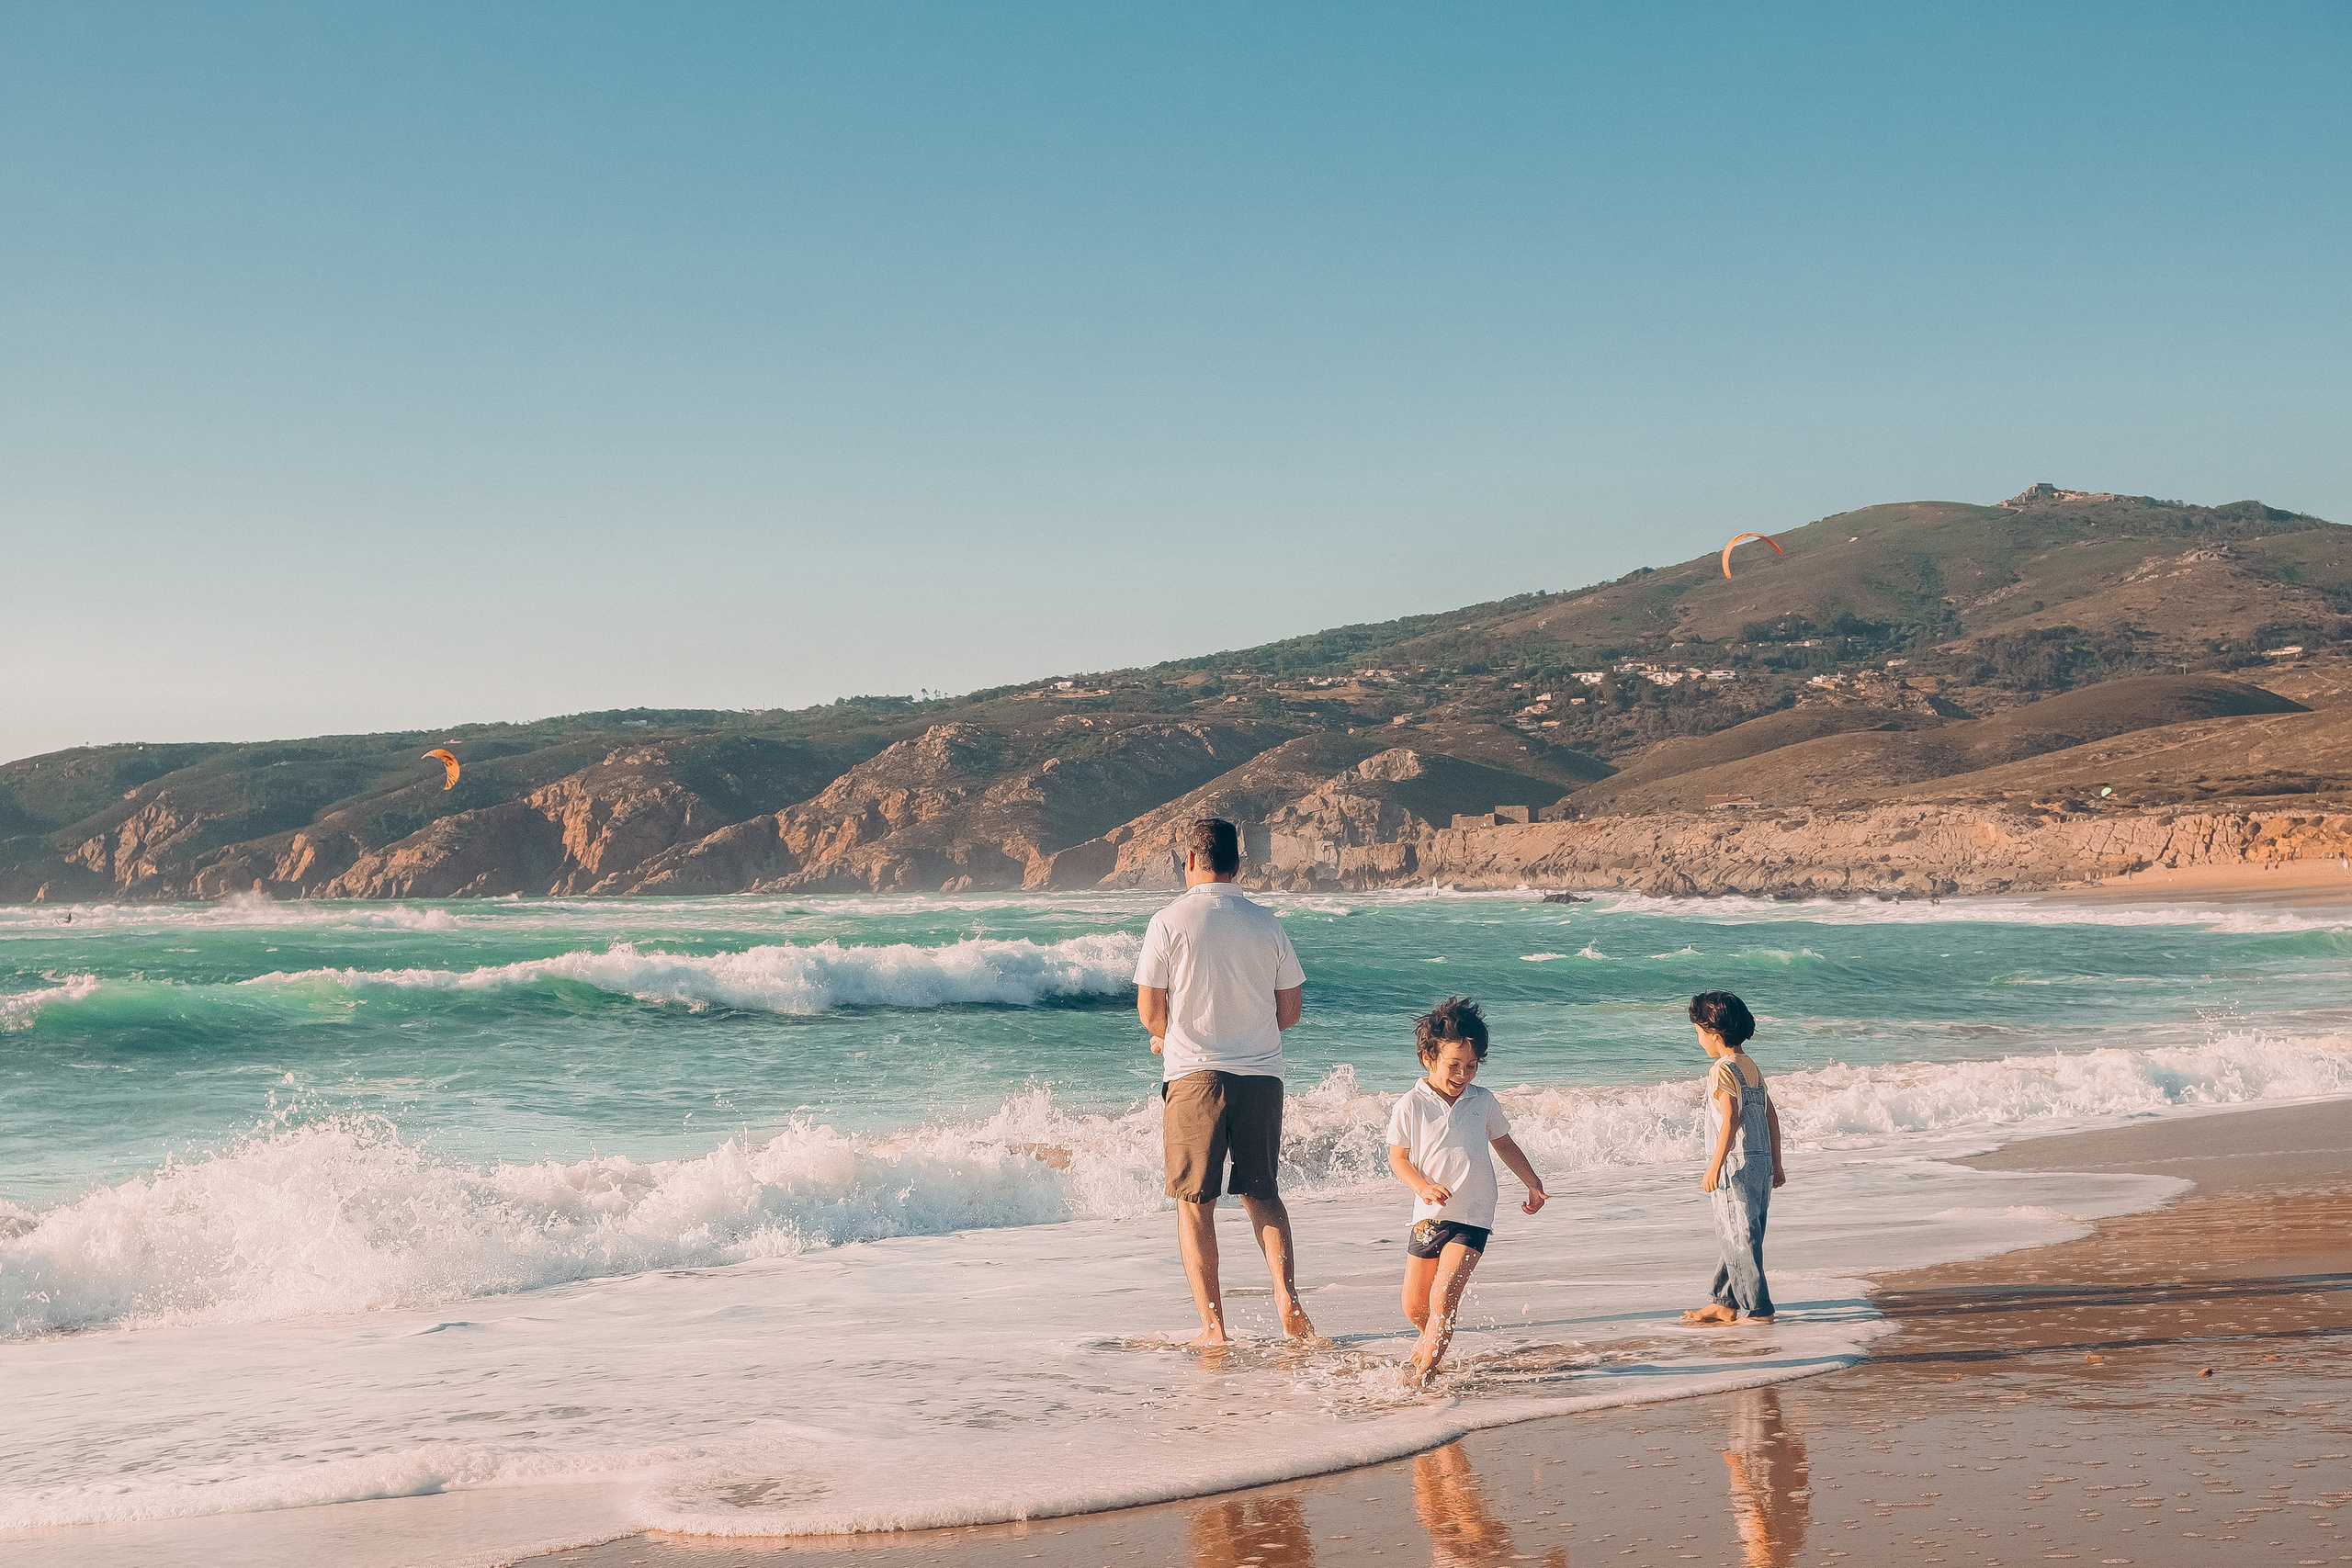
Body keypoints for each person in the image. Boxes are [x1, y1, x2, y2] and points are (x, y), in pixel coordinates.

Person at [1135, 818, 1315, 1346]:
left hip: (1194, 1078)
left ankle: (1214, 1327)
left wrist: (1165, 1035)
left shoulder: (1168, 923)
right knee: (1262, 1193)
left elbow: (1150, 1010)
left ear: (1190, 860)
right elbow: (1289, 1012)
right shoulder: (1266, 923)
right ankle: (1287, 1300)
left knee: (1195, 1202)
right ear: (1239, 863)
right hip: (1261, 1077)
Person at [1385, 996, 1547, 1383]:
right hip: (1429, 1216)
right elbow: (1399, 1160)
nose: (1462, 1075)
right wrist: (1423, 1187)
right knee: (1414, 1306)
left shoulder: (1482, 1101)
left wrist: (1533, 1181)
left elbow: (1504, 1144)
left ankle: (1424, 1374)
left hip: (1473, 1214)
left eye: (1471, 1067)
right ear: (1428, 1057)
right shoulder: (1410, 1105)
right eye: (1453, 1065)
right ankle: (1430, 1342)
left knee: (1443, 1297)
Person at [1682, 990, 1786, 1325]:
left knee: (1739, 1237)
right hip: (1761, 1165)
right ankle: (1723, 1301)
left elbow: (1730, 1118)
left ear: (1714, 1035)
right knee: (1742, 1234)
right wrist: (1778, 1163)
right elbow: (1770, 1116)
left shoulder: (1721, 1070)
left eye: (1698, 1034)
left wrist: (1714, 1165)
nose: (1699, 1041)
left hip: (1736, 1166)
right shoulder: (1750, 1067)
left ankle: (1759, 1310)